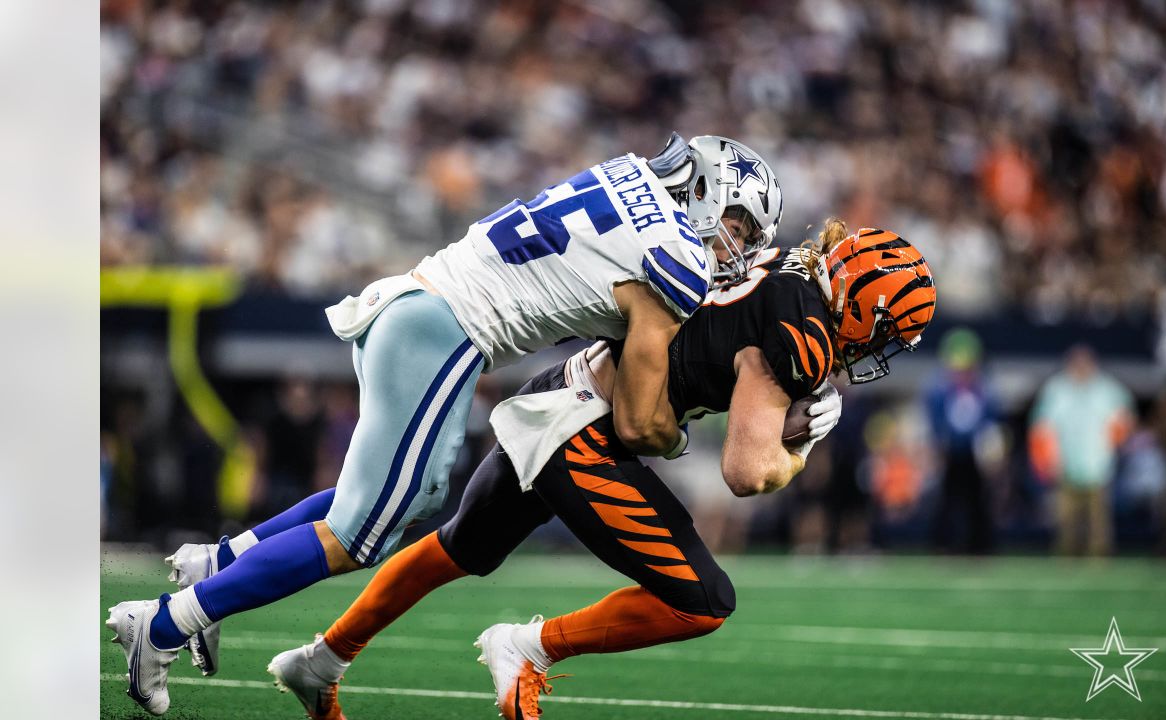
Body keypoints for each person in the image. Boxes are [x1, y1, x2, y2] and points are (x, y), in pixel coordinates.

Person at [105, 133, 783, 716]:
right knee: (360, 535)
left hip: (419, 307)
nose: (736, 245)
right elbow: (637, 423)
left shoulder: (630, 177)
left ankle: (218, 562)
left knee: (404, 500)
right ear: (703, 188)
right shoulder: (678, 257)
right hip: (443, 330)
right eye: (740, 224)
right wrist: (683, 429)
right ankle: (166, 624)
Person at [265, 221, 937, 720]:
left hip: (566, 386)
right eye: (884, 334)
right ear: (860, 309)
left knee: (459, 546)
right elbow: (745, 471)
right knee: (703, 601)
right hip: (587, 433)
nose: (875, 350)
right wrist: (800, 447)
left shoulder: (777, 263)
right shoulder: (804, 331)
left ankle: (320, 660)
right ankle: (531, 645)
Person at [1028, 345, 1134, 556]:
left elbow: (1124, 422)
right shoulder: (1056, 390)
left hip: (1098, 464)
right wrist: (1046, 460)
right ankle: (1067, 559)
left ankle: (1098, 561)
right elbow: (1042, 427)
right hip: (1065, 464)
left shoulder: (1108, 390)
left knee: (1098, 523)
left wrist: (1114, 448)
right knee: (1066, 522)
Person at [924, 328, 1002, 554]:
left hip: (975, 454)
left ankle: (979, 547)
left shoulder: (983, 389)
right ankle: (944, 545)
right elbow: (936, 418)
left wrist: (991, 449)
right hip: (951, 452)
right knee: (947, 501)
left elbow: (990, 420)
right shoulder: (940, 389)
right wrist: (938, 445)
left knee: (978, 501)